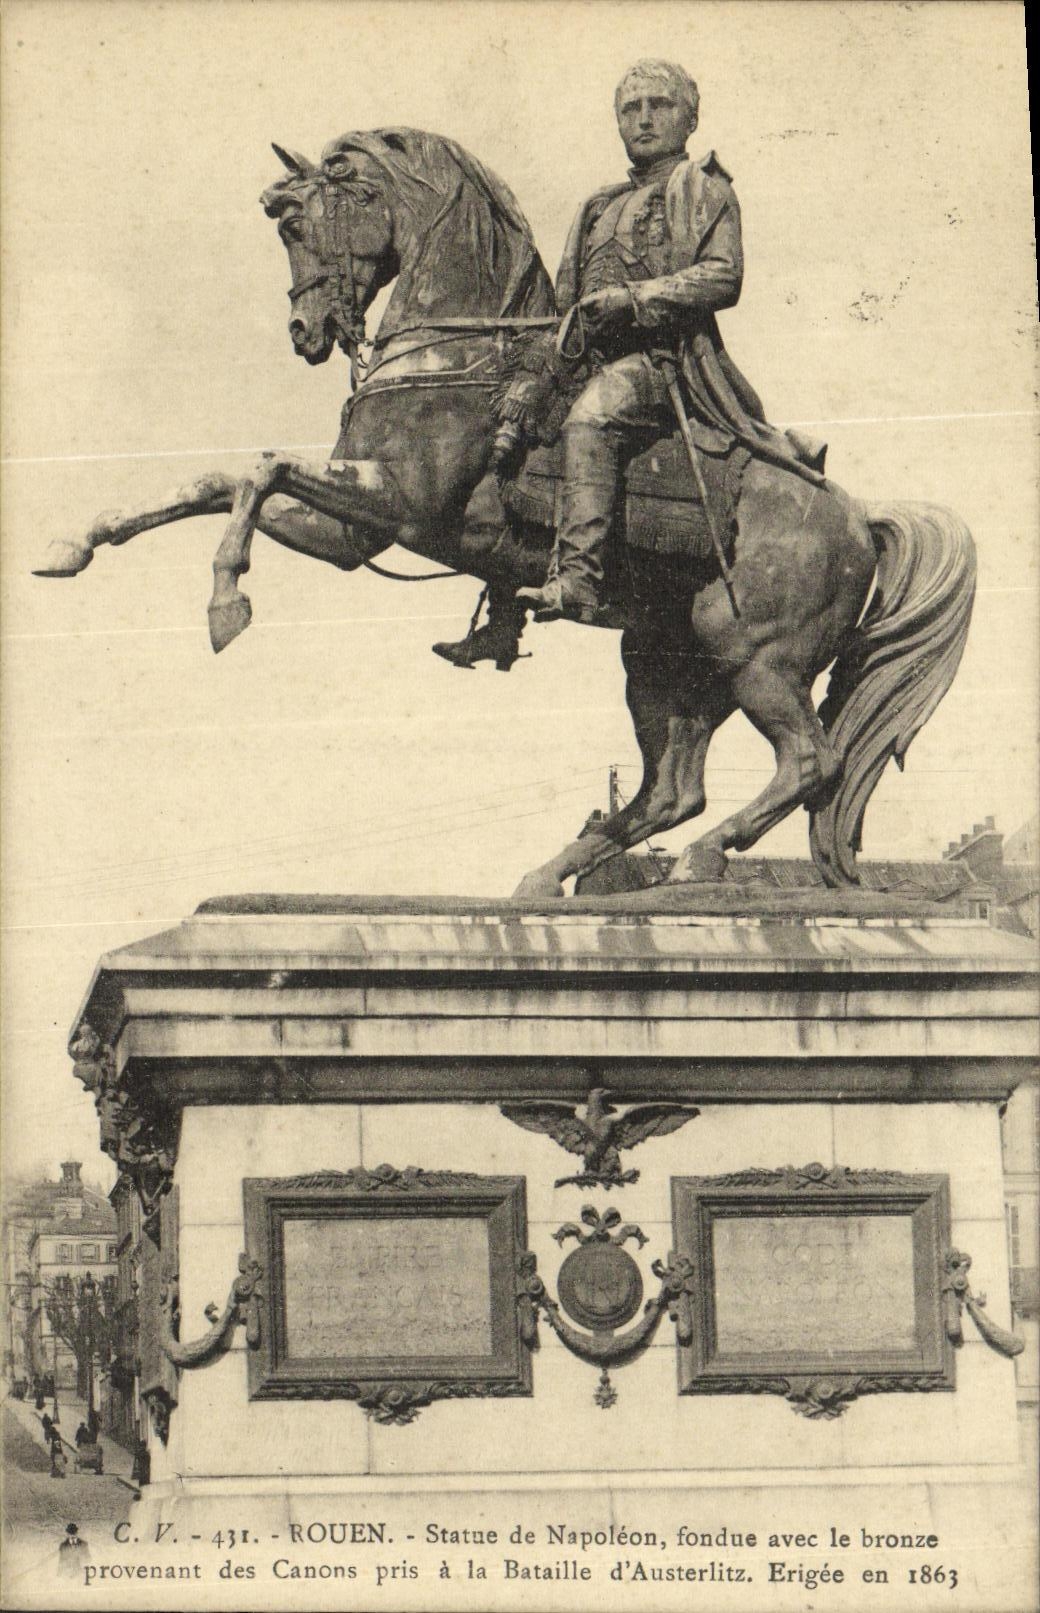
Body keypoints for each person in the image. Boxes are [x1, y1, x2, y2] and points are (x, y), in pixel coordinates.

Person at [517, 59, 824, 624]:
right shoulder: (597, 205)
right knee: (505, 425)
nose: (644, 118)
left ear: (690, 118)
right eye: (631, 109)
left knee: (591, 419)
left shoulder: (703, 187)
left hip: (663, 363)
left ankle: (579, 580)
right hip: (589, 358)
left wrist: (632, 299)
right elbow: (566, 297)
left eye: (659, 105)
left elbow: (722, 275)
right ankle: (500, 620)